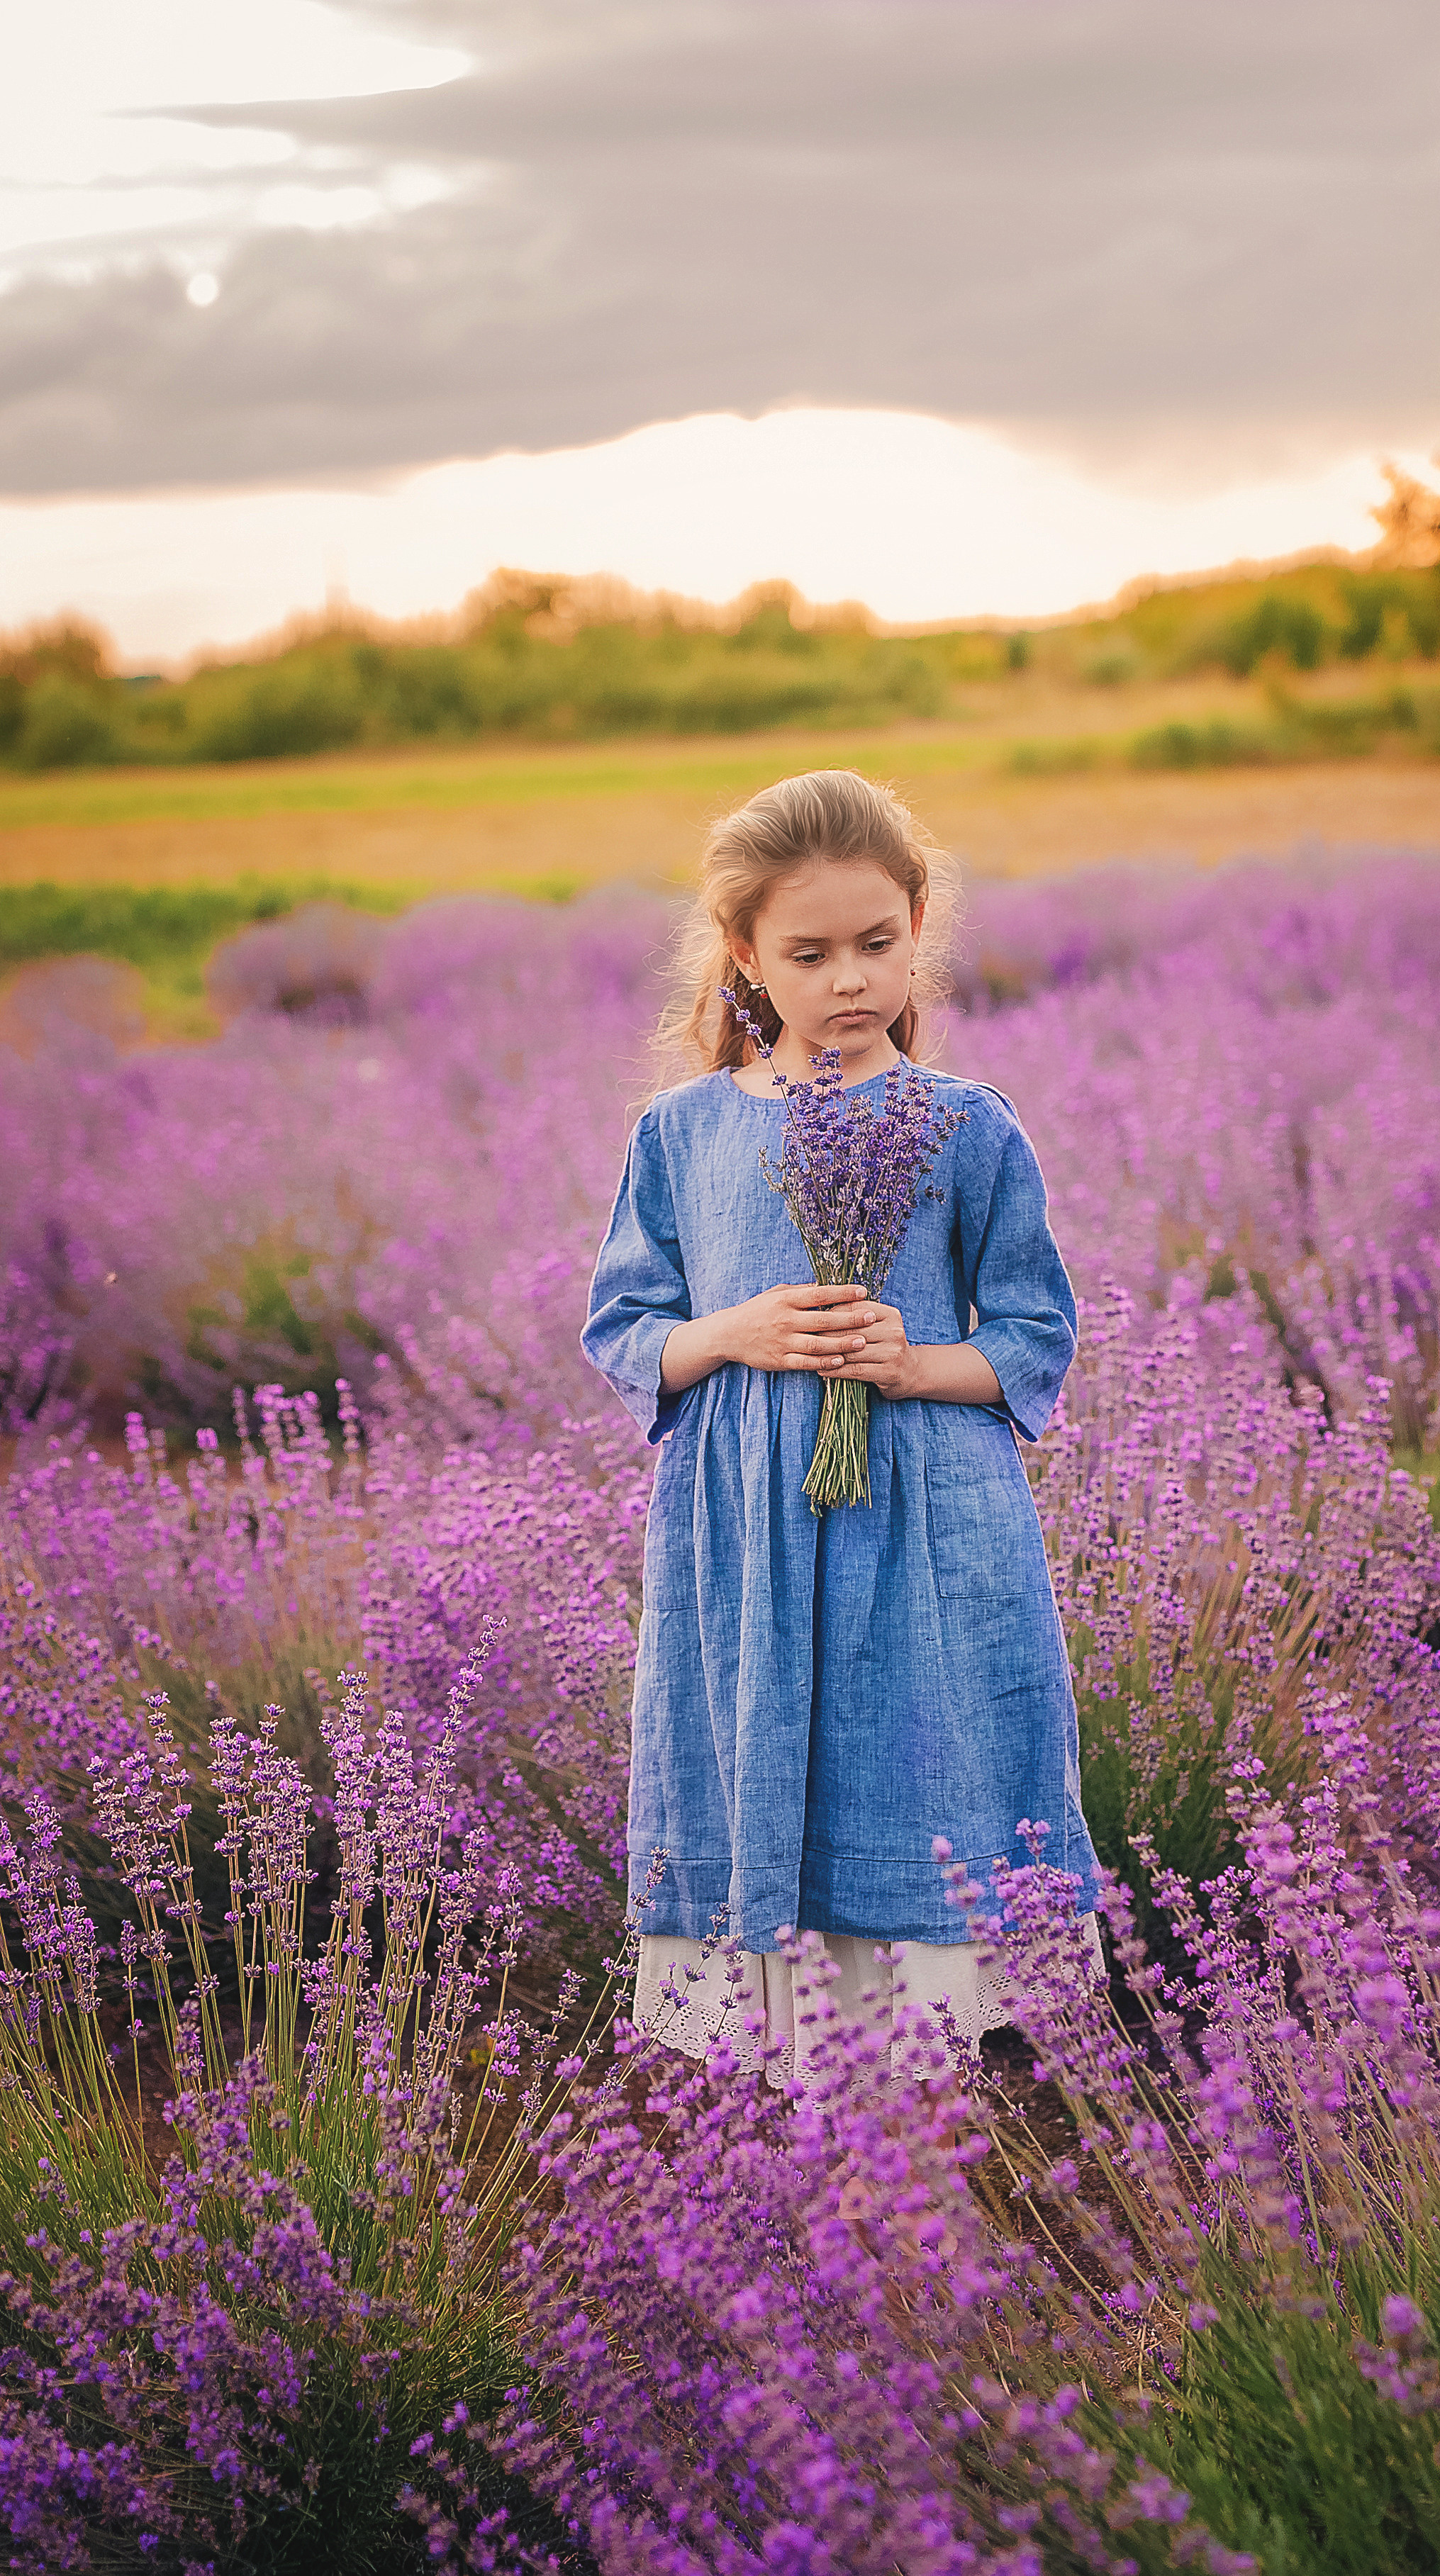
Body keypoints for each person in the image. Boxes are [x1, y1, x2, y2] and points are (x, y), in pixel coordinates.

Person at [582, 769, 1100, 2076]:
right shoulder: (683, 1131)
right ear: (745, 953)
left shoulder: (964, 1123)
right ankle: (793, 2065)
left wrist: (914, 1364)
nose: (849, 979)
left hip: (925, 1514)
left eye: (875, 942)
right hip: (746, 1522)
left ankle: (919, 2051)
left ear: (918, 925)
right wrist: (733, 1332)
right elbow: (624, 1328)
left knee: (920, 1751)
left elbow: (1034, 1332)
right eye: (809, 953)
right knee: (760, 1744)